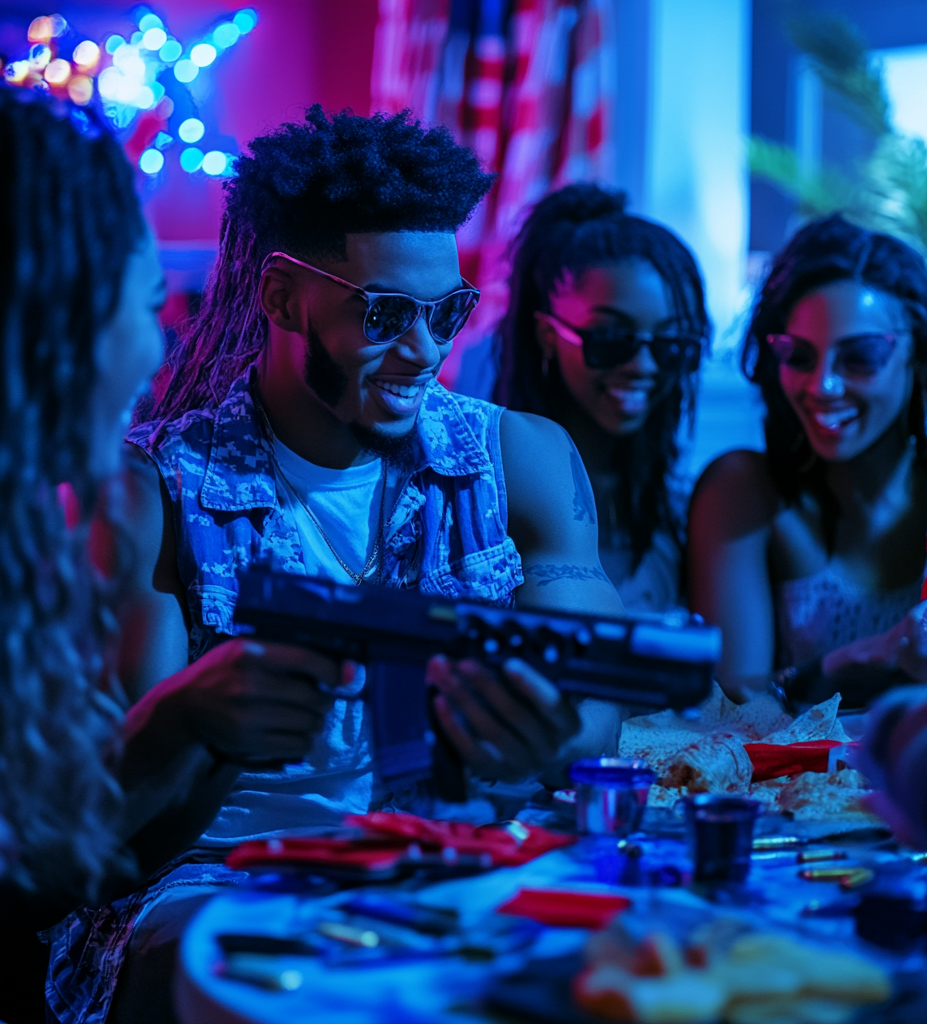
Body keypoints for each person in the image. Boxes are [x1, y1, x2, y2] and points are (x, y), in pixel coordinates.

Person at [49, 106, 625, 1023]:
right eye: (387, 314)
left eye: (448, 312)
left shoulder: (521, 459)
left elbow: (599, 707)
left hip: (456, 867)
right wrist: (197, 721)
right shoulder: (153, 489)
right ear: (283, 299)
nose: (427, 351)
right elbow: (106, 835)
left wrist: (554, 732)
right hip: (216, 883)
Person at [0, 86, 324, 1023]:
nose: (160, 347)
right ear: (43, 318)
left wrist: (193, 725)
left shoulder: (4, 539)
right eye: (148, 304)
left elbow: (39, 884)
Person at [689, 215, 927, 702]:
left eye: (860, 357)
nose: (823, 386)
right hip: (787, 780)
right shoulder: (746, 491)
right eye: (799, 356)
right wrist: (854, 660)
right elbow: (729, 708)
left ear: (920, 355)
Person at [495, 184, 708, 611]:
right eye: (611, 339)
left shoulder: (682, 513)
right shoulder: (487, 495)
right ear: (546, 335)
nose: (643, 366)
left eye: (672, 344)